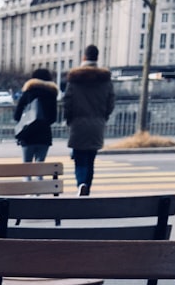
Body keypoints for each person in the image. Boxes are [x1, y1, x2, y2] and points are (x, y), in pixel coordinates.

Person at [63, 44, 115, 196]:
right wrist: (103, 117)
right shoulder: (105, 80)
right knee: (90, 160)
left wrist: (69, 119)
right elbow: (110, 102)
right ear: (97, 58)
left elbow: (68, 102)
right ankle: (87, 187)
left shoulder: (75, 79)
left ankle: (81, 183)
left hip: (78, 124)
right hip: (97, 124)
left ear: (84, 57)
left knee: (79, 159)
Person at [12, 68, 59, 164]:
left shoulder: (28, 92)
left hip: (27, 134)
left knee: (27, 166)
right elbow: (53, 118)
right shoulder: (51, 94)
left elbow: (17, 115)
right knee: (40, 166)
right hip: (44, 135)